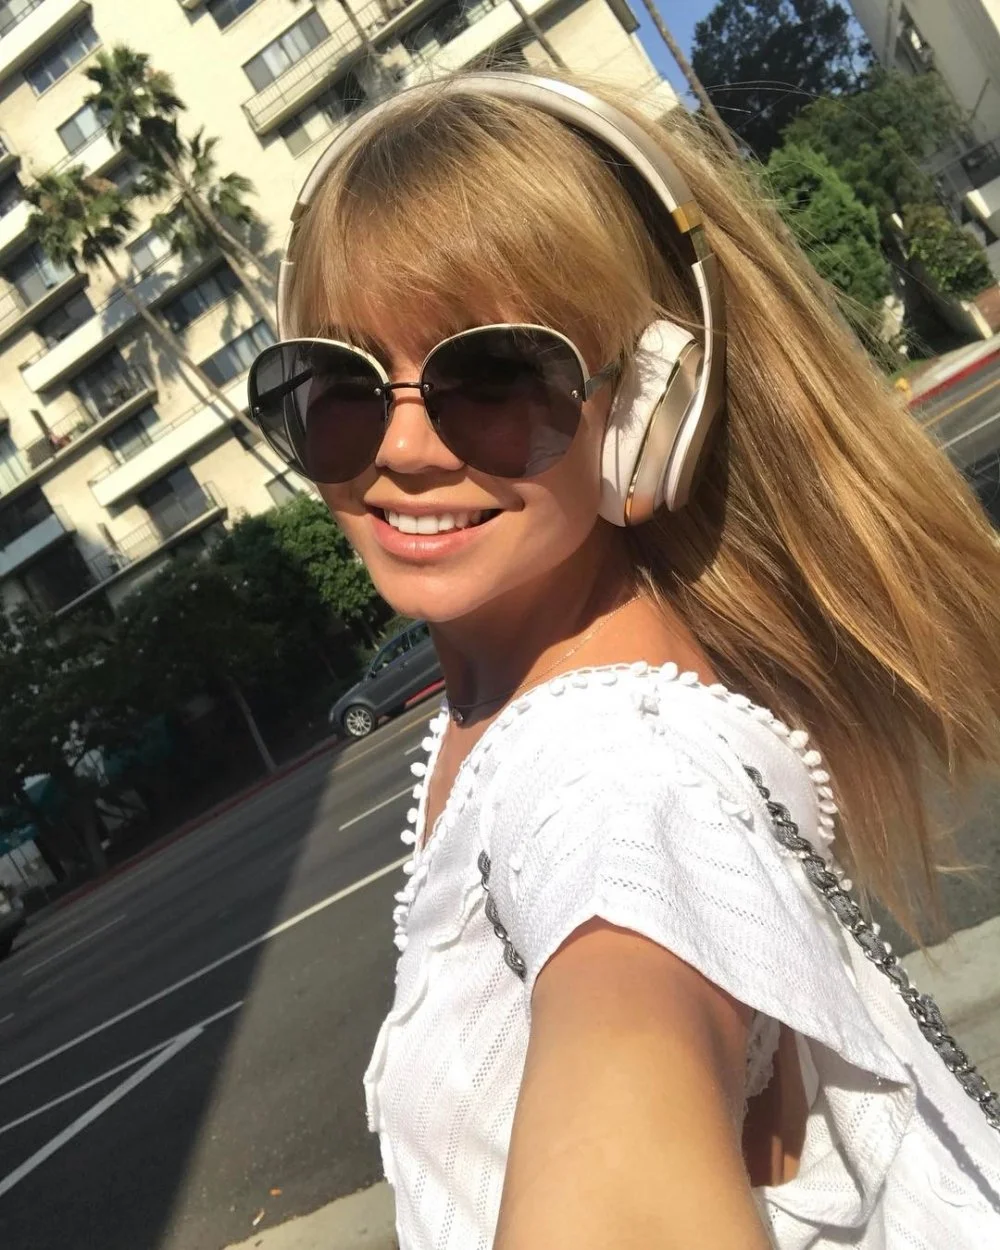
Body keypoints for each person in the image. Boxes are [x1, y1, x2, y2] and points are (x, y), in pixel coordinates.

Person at [247, 70, 1000, 1250]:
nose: (402, 446)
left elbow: (628, 1083)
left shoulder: (611, 777)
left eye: (492, 379)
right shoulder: (521, 708)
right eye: (340, 384)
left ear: (653, 407)